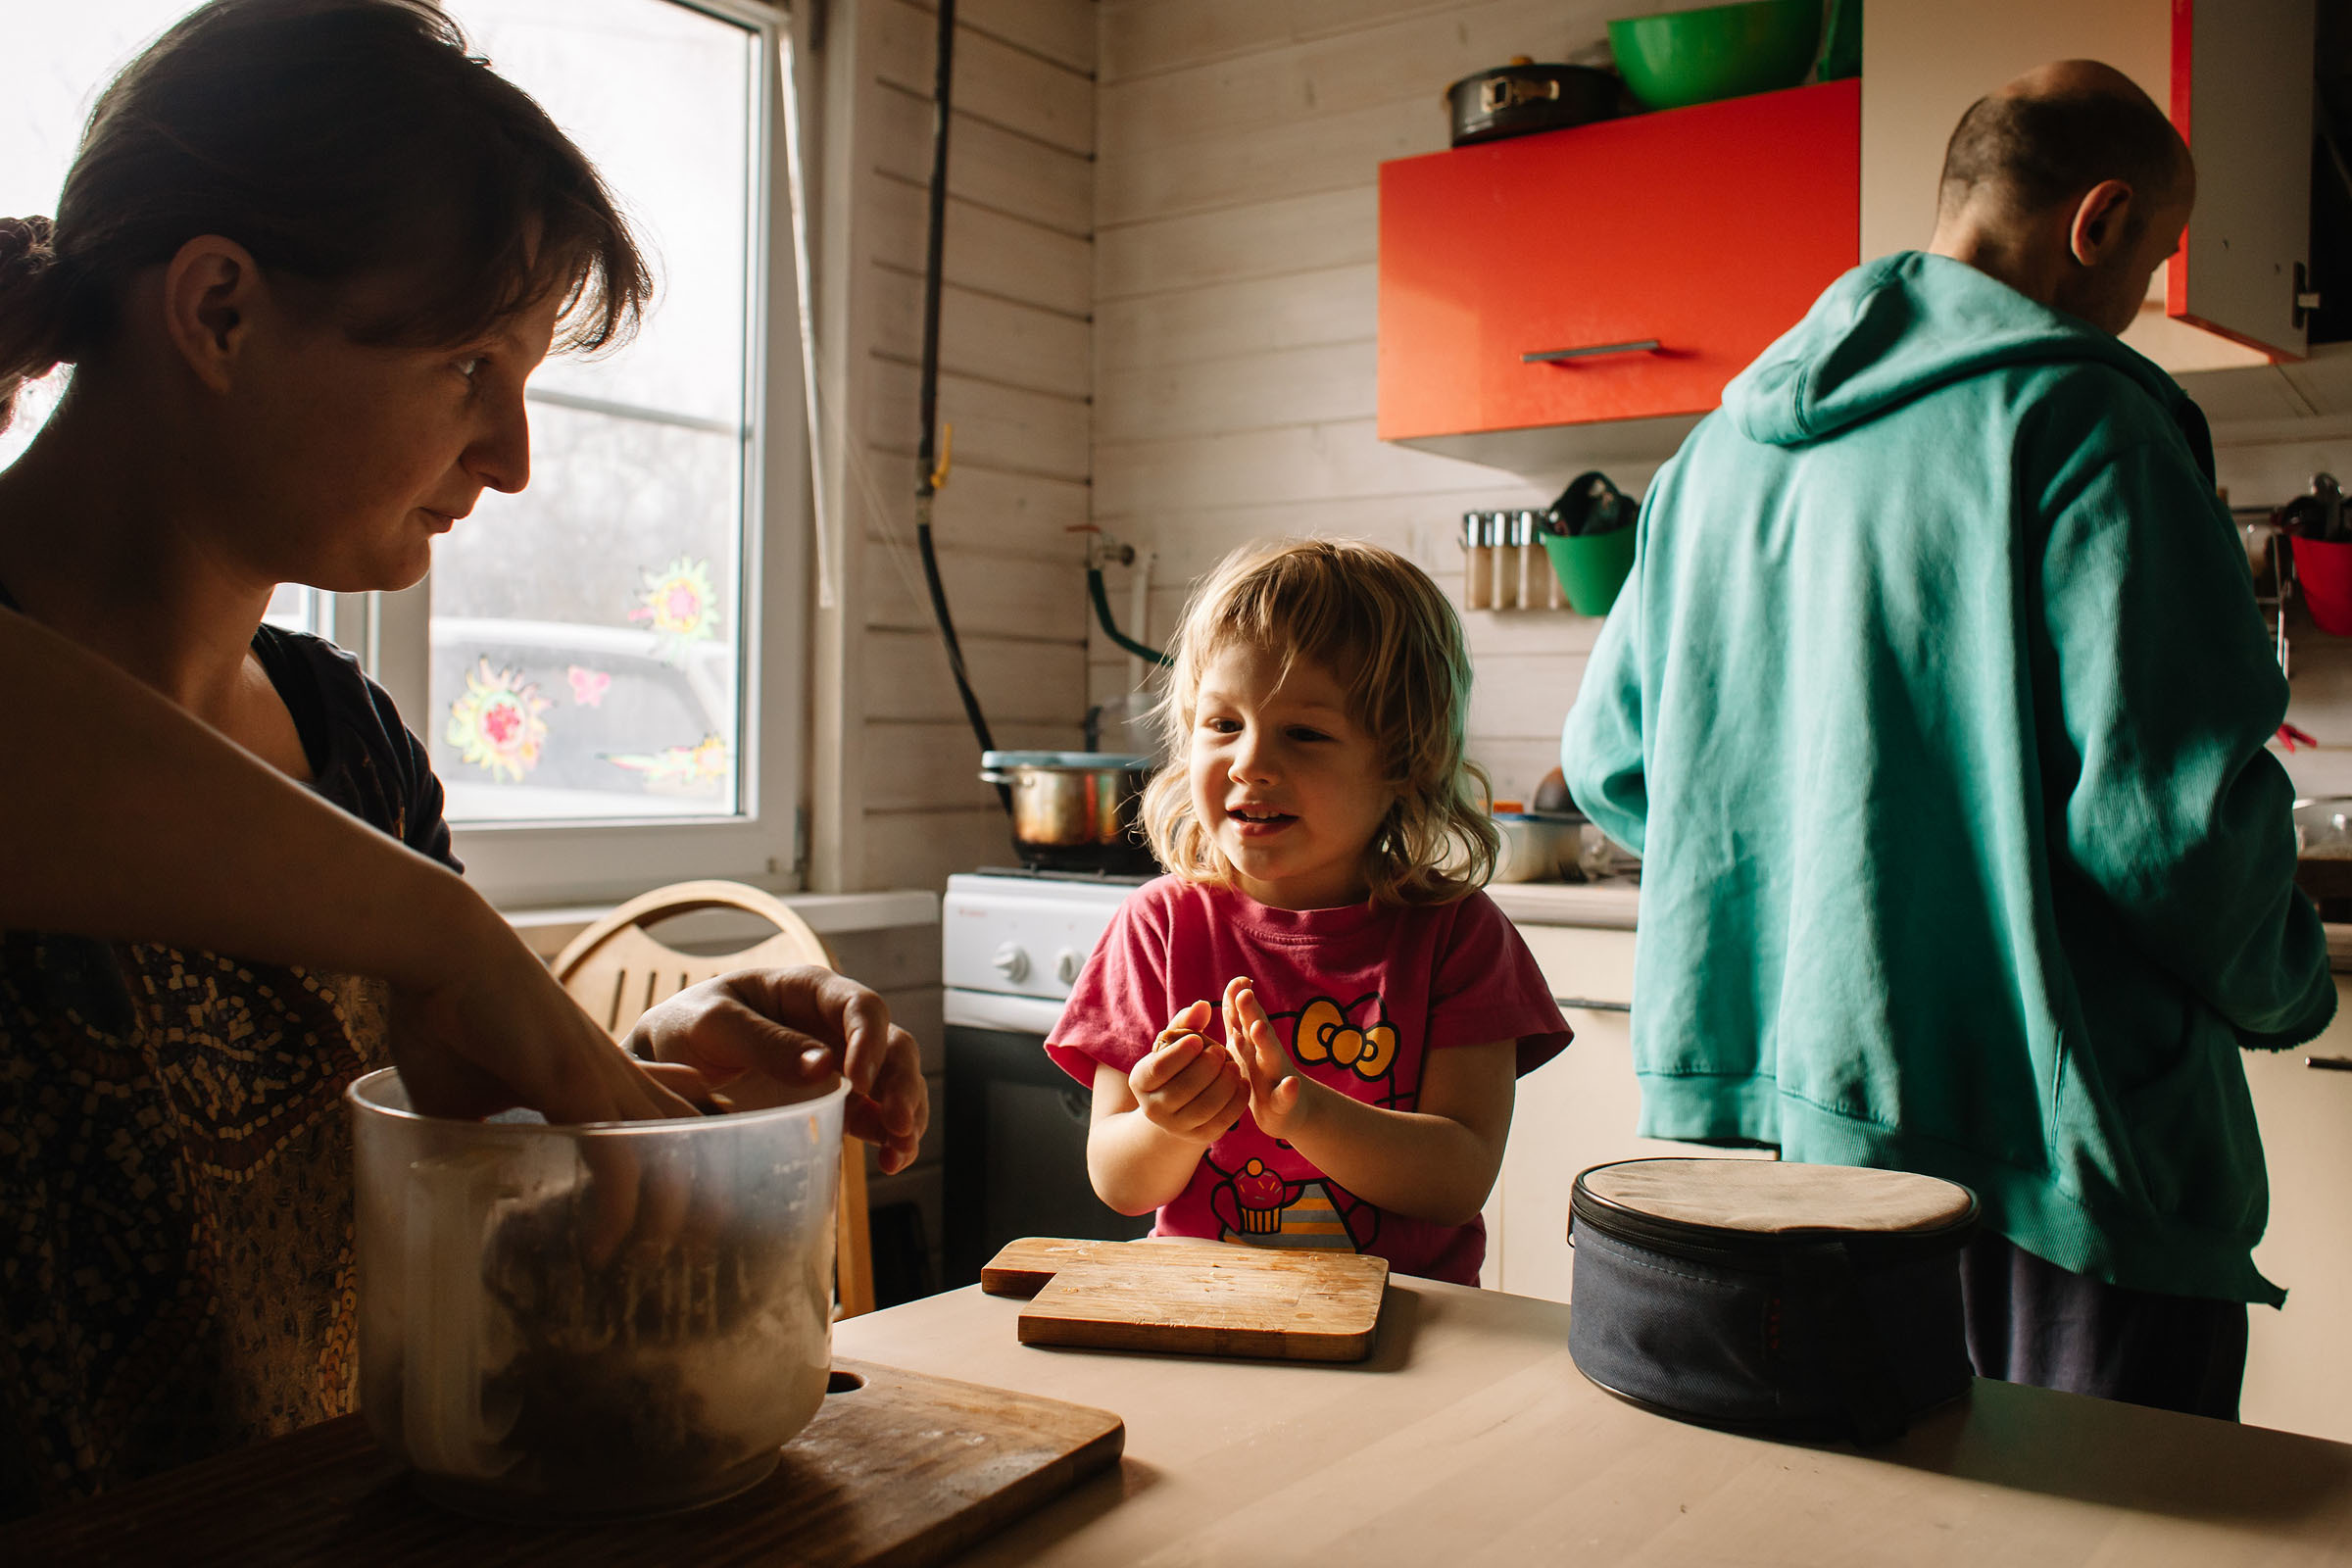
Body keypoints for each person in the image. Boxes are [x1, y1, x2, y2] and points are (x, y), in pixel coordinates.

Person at [0, 0, 923, 1517]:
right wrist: (454, 937)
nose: (513, 458)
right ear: (220, 310)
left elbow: (464, 1136)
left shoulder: (350, 740)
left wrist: (648, 1070)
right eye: (467, 370)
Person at [1560, 60, 2332, 1419]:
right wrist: (2286, 991)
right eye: (2150, 262)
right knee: (2116, 1532)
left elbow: (1621, 769)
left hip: (1790, 1145)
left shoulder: (1713, 459)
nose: (2139, 302)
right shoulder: (2089, 421)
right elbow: (2173, 831)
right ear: (2098, 221)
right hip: (2058, 1155)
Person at [1049, 539, 1571, 1284]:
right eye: (1223, 724)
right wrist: (1167, 1124)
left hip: (1407, 1328)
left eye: (1305, 733)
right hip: (1201, 1314)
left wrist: (1304, 1115)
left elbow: (1458, 1181)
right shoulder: (1159, 928)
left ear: (1403, 762)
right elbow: (1120, 1181)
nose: (1249, 762)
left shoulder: (1457, 936)